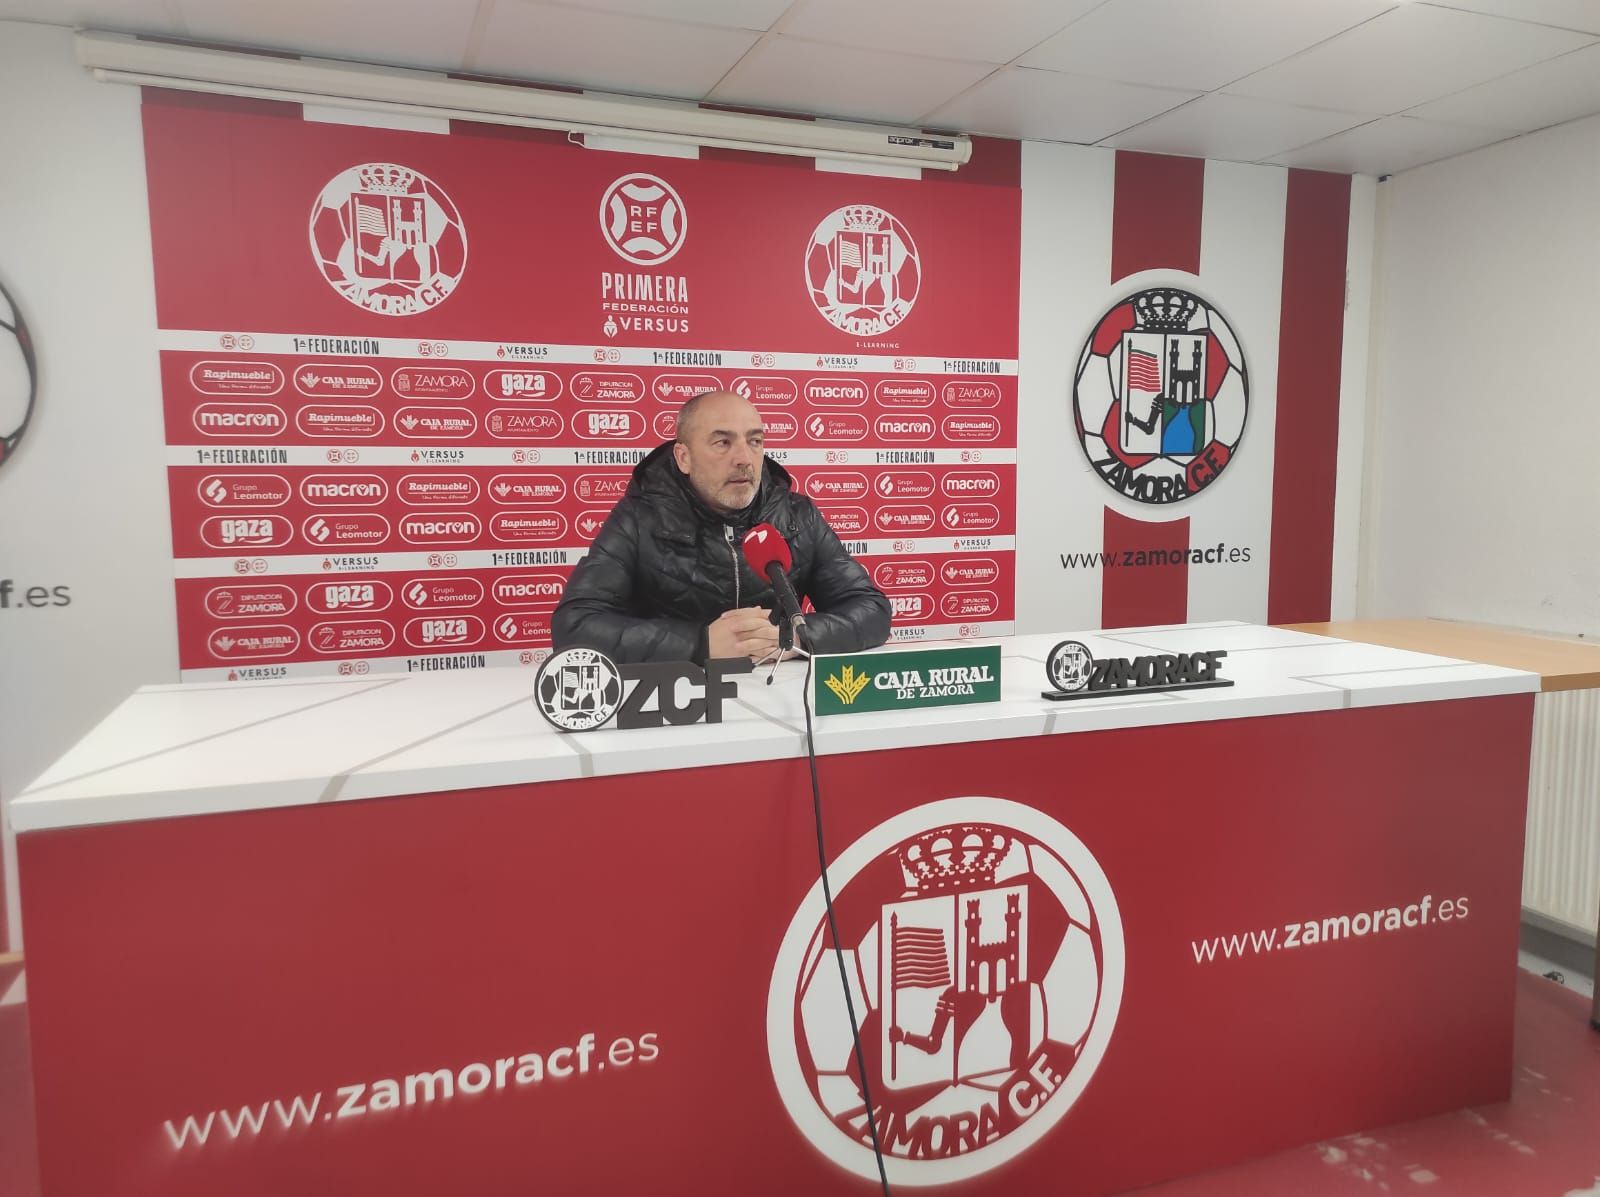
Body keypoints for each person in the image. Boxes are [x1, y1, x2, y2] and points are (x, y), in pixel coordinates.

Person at [552, 389, 891, 663]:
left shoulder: (797, 516)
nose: (744, 458)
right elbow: (575, 626)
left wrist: (792, 637)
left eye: (755, 441)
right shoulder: (639, 518)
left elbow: (871, 610)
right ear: (684, 458)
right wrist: (700, 644)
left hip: (780, 697)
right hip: (677, 704)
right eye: (723, 443)